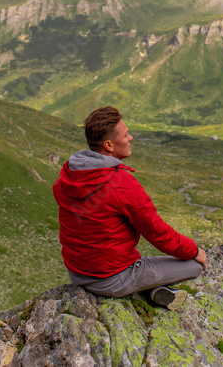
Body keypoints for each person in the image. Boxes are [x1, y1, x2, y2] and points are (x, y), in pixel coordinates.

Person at [52, 106, 207, 310]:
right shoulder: (121, 184)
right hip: (110, 279)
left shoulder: (69, 176)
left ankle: (153, 291)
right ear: (109, 145)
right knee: (194, 265)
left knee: (142, 259)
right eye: (126, 135)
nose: (131, 138)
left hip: (77, 272)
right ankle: (142, 288)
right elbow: (157, 232)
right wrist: (194, 250)